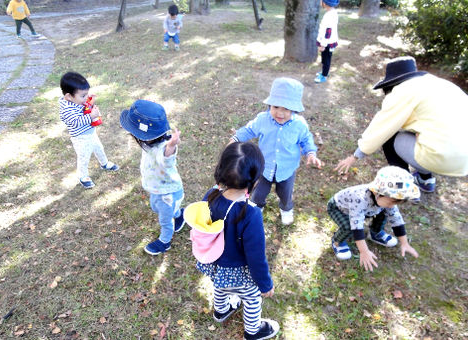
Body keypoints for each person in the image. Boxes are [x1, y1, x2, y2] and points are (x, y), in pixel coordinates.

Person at [336, 56, 468, 193]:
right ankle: (425, 180)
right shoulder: (436, 83)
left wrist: (355, 156)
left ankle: (404, 186)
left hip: (447, 154)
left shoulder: (403, 91)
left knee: (390, 138)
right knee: (415, 134)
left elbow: (382, 127)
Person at [185, 142, 279, 340]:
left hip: (214, 264)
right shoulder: (251, 214)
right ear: (254, 182)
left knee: (219, 286)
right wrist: (264, 283)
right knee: (252, 298)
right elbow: (256, 257)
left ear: (221, 170)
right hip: (239, 272)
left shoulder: (210, 196)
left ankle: (221, 311)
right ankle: (253, 331)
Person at [231, 77, 322, 225]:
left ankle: (286, 209)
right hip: (263, 168)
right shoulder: (262, 119)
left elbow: (306, 140)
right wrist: (236, 138)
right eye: (276, 107)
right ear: (269, 105)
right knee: (257, 193)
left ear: (294, 109)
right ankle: (256, 208)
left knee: (285, 194)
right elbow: (249, 130)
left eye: (286, 109)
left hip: (286, 170)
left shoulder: (299, 125)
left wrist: (310, 152)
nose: (280, 113)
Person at [120, 100, 185, 255]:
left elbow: (166, 157)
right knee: (155, 207)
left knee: (165, 220)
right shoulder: (149, 144)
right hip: (158, 190)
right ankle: (179, 215)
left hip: (168, 194)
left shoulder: (162, 147)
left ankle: (164, 242)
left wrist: (171, 146)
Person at [328, 166, 420, 271]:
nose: (391, 206)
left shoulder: (386, 200)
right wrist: (364, 251)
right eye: (390, 202)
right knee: (348, 226)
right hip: (339, 209)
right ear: (377, 193)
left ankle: (375, 233)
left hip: (367, 210)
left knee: (385, 212)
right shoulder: (360, 199)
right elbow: (356, 226)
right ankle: (337, 241)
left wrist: (404, 243)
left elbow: (396, 218)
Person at [59, 72, 119, 189]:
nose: (86, 97)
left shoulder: (76, 101)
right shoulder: (66, 109)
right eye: (83, 96)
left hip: (90, 133)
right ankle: (83, 176)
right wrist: (91, 116)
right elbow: (76, 122)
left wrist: (90, 102)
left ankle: (104, 163)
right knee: (84, 157)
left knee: (99, 148)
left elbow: (84, 108)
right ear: (68, 97)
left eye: (86, 94)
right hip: (81, 138)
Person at [314, 0, 339, 83]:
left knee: (326, 59)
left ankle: (324, 76)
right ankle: (325, 72)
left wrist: (323, 45)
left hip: (327, 43)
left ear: (325, 3)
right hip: (328, 42)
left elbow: (328, 31)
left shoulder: (329, 15)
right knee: (325, 58)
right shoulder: (332, 12)